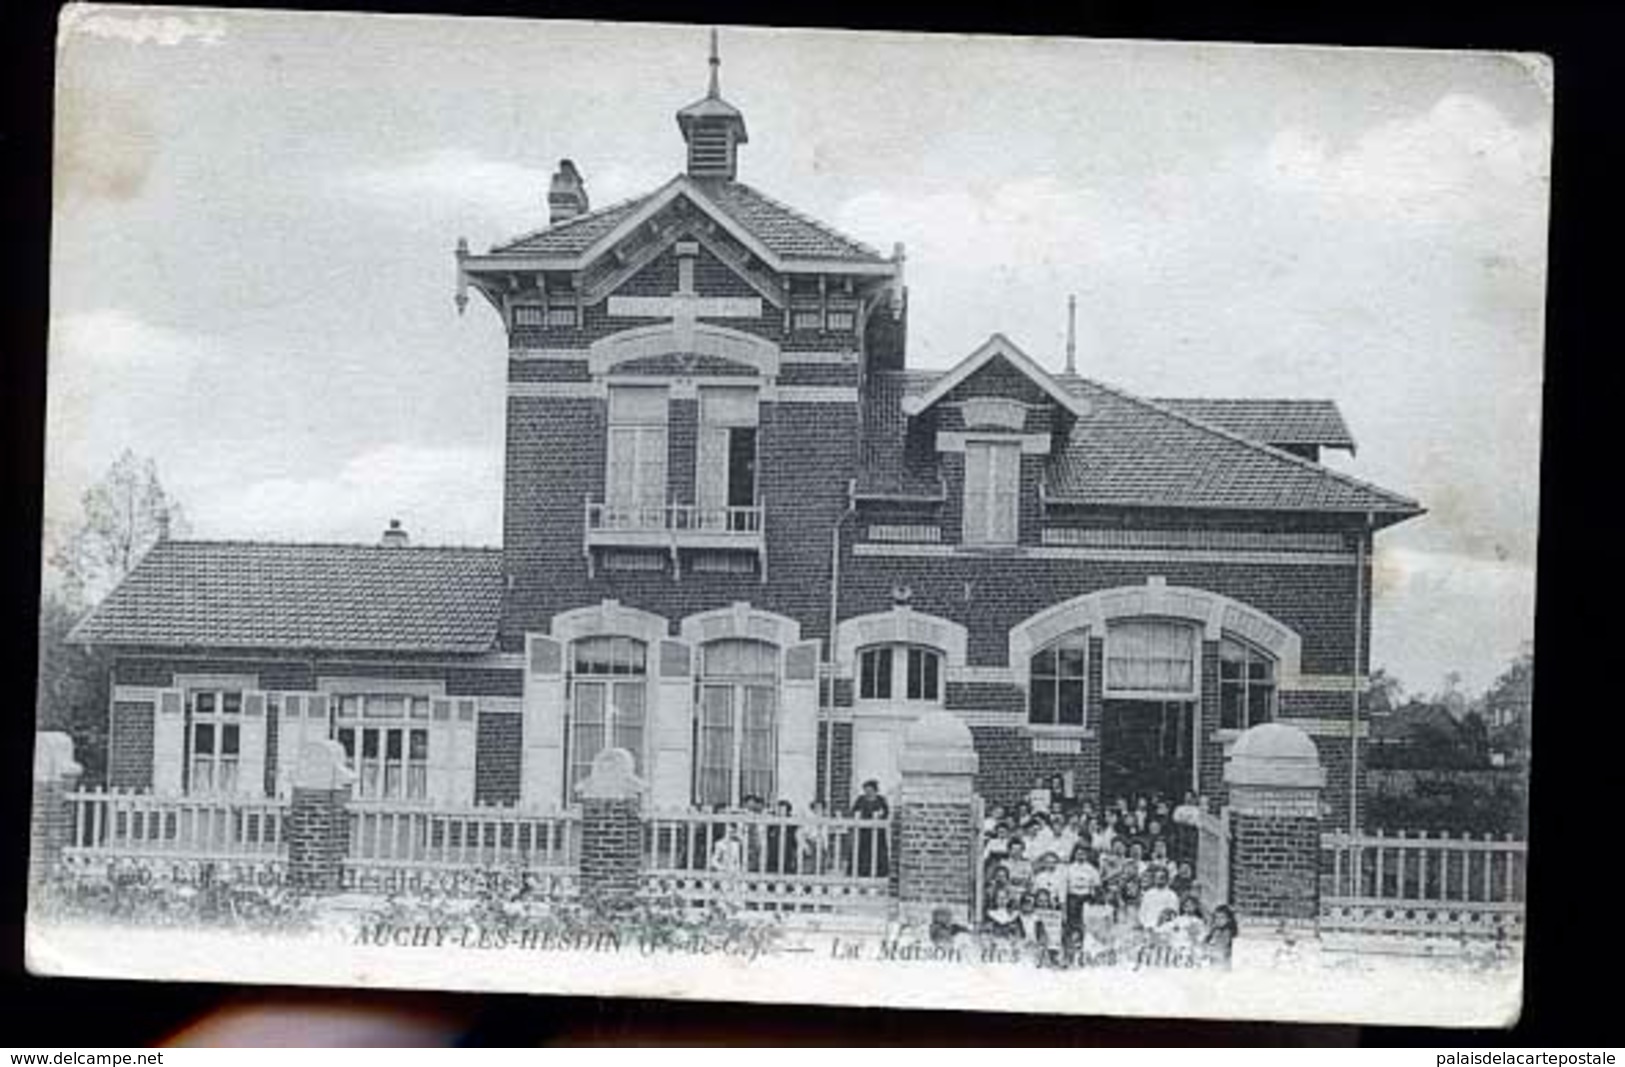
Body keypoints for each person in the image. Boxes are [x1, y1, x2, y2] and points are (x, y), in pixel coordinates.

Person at [852, 779, 890, 878]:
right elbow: (854, 811)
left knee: (878, 851)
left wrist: (880, 815)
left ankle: (880, 872)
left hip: (877, 832)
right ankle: (862, 871)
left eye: (870, 790)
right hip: (864, 832)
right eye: (866, 790)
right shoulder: (860, 800)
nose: (868, 793)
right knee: (863, 852)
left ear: (875, 790)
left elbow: (886, 812)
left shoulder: (880, 800)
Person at [1063, 842, 1102, 933]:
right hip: (1073, 897)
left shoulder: (1092, 869)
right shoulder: (1069, 869)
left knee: (1086, 921)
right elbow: (1064, 887)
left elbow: (1097, 886)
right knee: (1073, 922)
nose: (1081, 856)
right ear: (1075, 854)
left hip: (1086, 897)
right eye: (1079, 854)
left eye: (1083, 854)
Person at [1139, 865, 1181, 930]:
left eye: (1162, 877)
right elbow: (1142, 913)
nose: (1159, 880)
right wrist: (1146, 925)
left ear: (1166, 879)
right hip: (1149, 929)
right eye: (1157, 877)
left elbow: (1174, 915)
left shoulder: (1171, 895)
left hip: (1165, 930)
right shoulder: (1148, 894)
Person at [1205, 904, 1238, 968]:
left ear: (1229, 919)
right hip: (1215, 961)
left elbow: (1222, 949)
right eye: (1216, 917)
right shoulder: (1215, 931)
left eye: (1222, 917)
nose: (1219, 920)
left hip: (1223, 963)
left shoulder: (1227, 932)